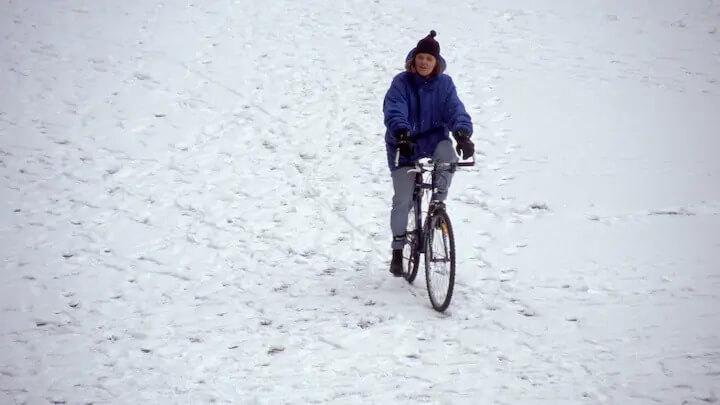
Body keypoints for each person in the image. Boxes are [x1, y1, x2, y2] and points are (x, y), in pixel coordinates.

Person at [382, 30, 475, 276]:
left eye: (429, 59)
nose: (424, 62)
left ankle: (438, 203)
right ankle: (397, 250)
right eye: (421, 57)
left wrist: (463, 134)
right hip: (404, 142)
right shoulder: (401, 82)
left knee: (448, 156)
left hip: (434, 138)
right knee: (402, 198)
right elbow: (394, 109)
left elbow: (455, 109)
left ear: (436, 63)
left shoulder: (445, 84)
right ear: (414, 59)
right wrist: (401, 133)